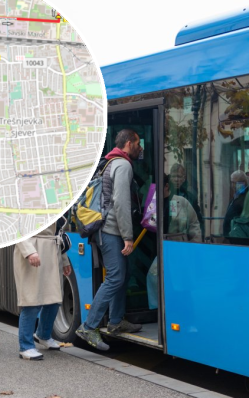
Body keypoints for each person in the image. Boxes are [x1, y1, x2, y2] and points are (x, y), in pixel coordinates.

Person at [76, 129, 143, 351]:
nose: (140, 148)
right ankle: (89, 326)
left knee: (123, 275)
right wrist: (128, 237)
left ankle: (115, 322)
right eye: (138, 143)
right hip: (112, 230)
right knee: (115, 277)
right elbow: (122, 203)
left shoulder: (109, 161)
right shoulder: (123, 165)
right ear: (129, 143)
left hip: (105, 228)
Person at [14, 217, 72, 360]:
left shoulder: (50, 201)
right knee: (32, 300)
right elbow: (15, 227)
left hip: (53, 251)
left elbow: (58, 232)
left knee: (55, 299)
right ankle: (26, 346)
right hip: (34, 249)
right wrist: (29, 251)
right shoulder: (25, 199)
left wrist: (64, 260)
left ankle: (43, 335)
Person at [163, 174, 201, 242]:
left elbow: (194, 225)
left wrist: (195, 247)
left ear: (166, 186)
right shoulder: (151, 204)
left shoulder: (181, 201)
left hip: (179, 246)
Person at [169, 163, 203, 235]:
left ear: (183, 178)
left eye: (179, 176)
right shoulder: (165, 196)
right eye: (174, 176)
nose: (176, 179)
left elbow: (198, 221)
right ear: (170, 178)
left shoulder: (191, 198)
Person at [223, 170, 249, 236]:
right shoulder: (238, 194)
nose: (233, 185)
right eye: (232, 182)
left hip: (237, 235)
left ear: (243, 183)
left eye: (235, 183)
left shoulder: (246, 197)